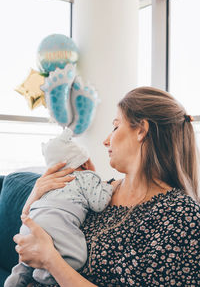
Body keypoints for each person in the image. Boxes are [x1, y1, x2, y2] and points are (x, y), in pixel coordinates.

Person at [13, 87, 200, 286]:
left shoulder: (181, 215)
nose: (105, 141)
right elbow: (28, 250)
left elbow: (46, 257)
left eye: (116, 126)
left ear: (141, 130)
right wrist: (34, 199)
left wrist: (52, 261)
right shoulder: (99, 191)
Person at [4, 128, 115, 287]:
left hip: (30, 223)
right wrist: (107, 187)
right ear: (84, 162)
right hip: (55, 223)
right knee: (76, 258)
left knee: (23, 266)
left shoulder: (51, 183)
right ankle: (44, 276)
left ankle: (14, 281)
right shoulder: (87, 177)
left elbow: (26, 214)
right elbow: (99, 204)